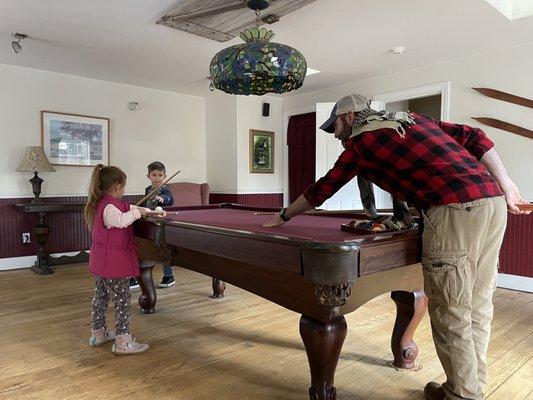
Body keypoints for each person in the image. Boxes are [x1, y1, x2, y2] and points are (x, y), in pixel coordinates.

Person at [264, 93, 530, 400]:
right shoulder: (415, 119)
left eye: (334, 125)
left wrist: (284, 215)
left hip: (452, 210)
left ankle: (464, 395)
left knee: (451, 309)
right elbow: (476, 136)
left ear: (350, 117)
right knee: (477, 306)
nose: (334, 134)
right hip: (492, 204)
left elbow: (322, 189)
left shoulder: (360, 144)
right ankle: (466, 388)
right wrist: (508, 188)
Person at [84, 164, 164, 355]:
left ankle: (99, 333)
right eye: (124, 186)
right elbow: (121, 219)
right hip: (113, 264)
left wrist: (146, 211)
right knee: (122, 301)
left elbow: (128, 209)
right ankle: (123, 342)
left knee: (101, 298)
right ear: (118, 186)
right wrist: (137, 213)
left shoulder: (103, 202)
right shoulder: (110, 207)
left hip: (102, 262)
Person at [130, 161, 175, 289]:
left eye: (160, 175)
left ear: (165, 176)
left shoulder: (165, 190)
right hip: (149, 221)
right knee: (143, 248)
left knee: (163, 249)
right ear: (148, 176)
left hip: (161, 223)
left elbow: (170, 200)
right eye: (154, 175)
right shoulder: (148, 190)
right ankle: (135, 277)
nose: (157, 178)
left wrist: (163, 199)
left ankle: (169, 276)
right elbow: (146, 205)